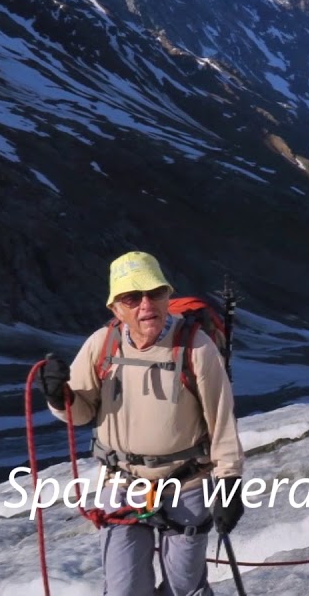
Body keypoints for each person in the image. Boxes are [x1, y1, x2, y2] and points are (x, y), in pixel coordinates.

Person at [39, 251, 245, 596]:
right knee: (125, 590)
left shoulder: (196, 347)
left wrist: (229, 483)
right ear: (115, 308)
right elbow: (82, 412)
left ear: (168, 295)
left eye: (156, 293)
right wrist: (59, 398)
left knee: (185, 589)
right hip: (121, 484)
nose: (146, 304)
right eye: (132, 298)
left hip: (187, 483)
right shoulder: (100, 345)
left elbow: (221, 418)